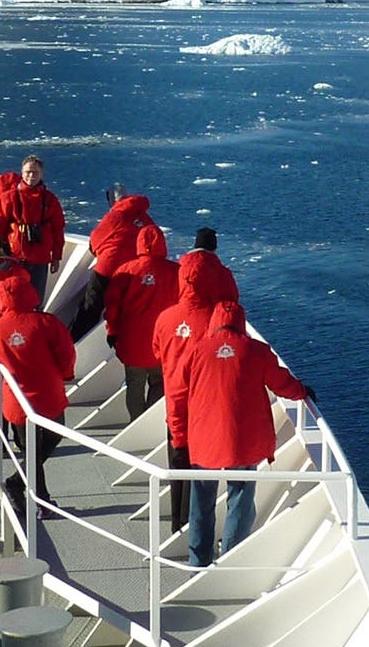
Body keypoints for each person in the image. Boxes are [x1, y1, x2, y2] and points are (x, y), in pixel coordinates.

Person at [167, 297, 310, 568]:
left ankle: (198, 566)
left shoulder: (196, 351)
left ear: (214, 324)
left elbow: (177, 395)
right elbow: (282, 383)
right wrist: (302, 391)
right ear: (240, 322)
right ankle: (230, 563)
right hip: (244, 443)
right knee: (241, 504)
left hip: (204, 442)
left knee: (201, 506)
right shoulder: (256, 351)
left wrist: (178, 437)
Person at [0, 229, 74, 506]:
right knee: (48, 438)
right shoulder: (44, 319)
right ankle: (33, 494)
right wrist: (65, 375)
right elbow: (65, 353)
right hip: (47, 392)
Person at [151, 227, 239, 531]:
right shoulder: (215, 322)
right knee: (202, 468)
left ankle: (177, 523)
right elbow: (233, 305)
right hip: (206, 402)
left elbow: (157, 352)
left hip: (175, 396)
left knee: (177, 457)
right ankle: (195, 534)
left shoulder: (166, 318)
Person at [103, 224, 175, 417]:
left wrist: (112, 332)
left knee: (134, 384)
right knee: (159, 383)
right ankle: (148, 420)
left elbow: (112, 307)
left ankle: (136, 421)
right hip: (161, 344)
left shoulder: (126, 271)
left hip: (131, 342)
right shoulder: (175, 272)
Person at [0, 156, 65, 298]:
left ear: (42, 174)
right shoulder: (9, 198)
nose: (31, 176)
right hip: (14, 257)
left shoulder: (50, 200)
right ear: (22, 172)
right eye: (28, 172)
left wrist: (56, 257)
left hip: (40, 258)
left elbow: (57, 229)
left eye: (35, 172)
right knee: (12, 297)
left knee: (35, 298)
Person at [82, 185, 158, 336]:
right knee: (124, 309)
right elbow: (156, 241)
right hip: (133, 273)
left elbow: (95, 239)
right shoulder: (144, 217)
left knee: (91, 306)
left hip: (108, 269)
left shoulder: (116, 215)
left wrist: (100, 251)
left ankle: (77, 341)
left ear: (112, 199)